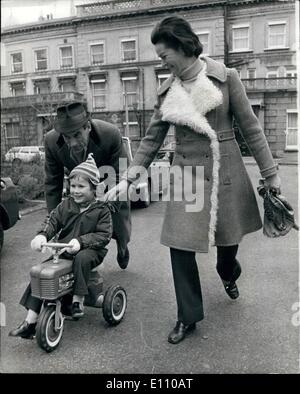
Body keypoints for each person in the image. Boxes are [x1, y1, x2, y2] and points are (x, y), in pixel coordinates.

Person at [106, 16, 281, 344]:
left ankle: (229, 271)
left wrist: (271, 176)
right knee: (179, 247)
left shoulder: (225, 78)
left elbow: (252, 130)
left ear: (183, 46)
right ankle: (188, 316)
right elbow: (151, 140)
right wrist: (128, 180)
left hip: (224, 169)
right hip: (186, 174)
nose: (161, 61)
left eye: (163, 55)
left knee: (226, 247)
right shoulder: (168, 90)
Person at [9, 154, 113, 339]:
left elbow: (104, 235)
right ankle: (30, 322)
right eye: (73, 186)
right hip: (65, 249)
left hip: (92, 250)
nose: (76, 191)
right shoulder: (66, 205)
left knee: (81, 258)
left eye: (81, 186)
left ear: (94, 189)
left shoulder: (102, 210)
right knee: (41, 272)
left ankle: (77, 300)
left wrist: (81, 242)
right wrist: (42, 235)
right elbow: (52, 221)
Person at [44, 101, 131, 269]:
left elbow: (121, 174)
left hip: (109, 181)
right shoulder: (51, 141)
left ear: (88, 127)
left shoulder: (110, 133)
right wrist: (54, 221)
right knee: (76, 223)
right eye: (67, 137)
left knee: (118, 223)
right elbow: (52, 183)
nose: (73, 142)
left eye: (77, 135)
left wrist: (104, 207)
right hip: (79, 185)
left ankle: (123, 247)